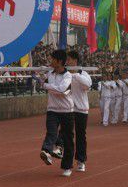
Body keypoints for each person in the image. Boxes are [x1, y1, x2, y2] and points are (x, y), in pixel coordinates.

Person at [37, 49, 75, 177]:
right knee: (51, 132)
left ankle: (67, 166)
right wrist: (41, 76)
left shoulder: (68, 76)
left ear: (59, 62)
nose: (50, 61)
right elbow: (42, 82)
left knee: (68, 139)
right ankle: (46, 151)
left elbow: (61, 89)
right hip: (52, 109)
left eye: (52, 59)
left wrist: (46, 86)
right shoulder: (50, 74)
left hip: (66, 111)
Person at [66, 50, 91, 172]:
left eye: (69, 59)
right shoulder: (64, 74)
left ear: (75, 61)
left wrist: (75, 74)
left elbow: (87, 85)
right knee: (67, 136)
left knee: (80, 136)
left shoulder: (84, 74)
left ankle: (81, 160)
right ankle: (68, 162)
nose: (67, 62)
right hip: (68, 109)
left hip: (81, 110)